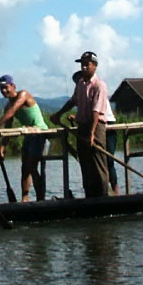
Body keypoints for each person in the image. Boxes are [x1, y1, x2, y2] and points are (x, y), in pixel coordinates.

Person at [53, 51, 111, 198]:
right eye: (82, 64)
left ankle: (103, 196)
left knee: (98, 163)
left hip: (96, 127)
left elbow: (96, 111)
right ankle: (90, 195)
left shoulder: (99, 85)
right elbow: (73, 101)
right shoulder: (80, 84)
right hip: (82, 126)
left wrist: (92, 134)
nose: (84, 67)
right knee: (85, 162)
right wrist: (58, 114)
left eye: (87, 64)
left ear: (95, 66)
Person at [0, 74, 49, 201]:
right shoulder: (7, 106)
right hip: (28, 134)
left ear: (13, 86)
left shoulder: (23, 95)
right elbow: (8, 128)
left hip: (40, 132)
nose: (4, 91)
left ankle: (40, 199)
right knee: (24, 168)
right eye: (1, 88)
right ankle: (24, 199)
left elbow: (14, 109)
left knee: (32, 166)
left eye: (6, 87)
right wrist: (2, 148)